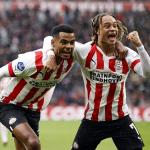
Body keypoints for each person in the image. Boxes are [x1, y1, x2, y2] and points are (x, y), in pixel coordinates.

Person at [43, 13, 150, 150]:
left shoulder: (126, 54)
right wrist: (51, 56)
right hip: (92, 121)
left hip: (121, 119)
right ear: (97, 31)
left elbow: (147, 73)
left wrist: (139, 46)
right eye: (107, 26)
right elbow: (49, 39)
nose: (112, 29)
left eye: (114, 26)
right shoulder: (84, 51)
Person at [0, 25, 76, 150]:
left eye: (71, 43)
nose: (68, 47)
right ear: (53, 43)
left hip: (33, 109)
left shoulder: (72, 55)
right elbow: (1, 72)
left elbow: (92, 46)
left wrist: (117, 44)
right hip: (10, 104)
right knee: (33, 143)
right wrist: (51, 56)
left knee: (24, 146)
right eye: (63, 42)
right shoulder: (31, 61)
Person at [0, 78, 9, 146]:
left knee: (2, 123)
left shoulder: (7, 79)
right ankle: (4, 138)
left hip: (5, 103)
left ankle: (4, 138)